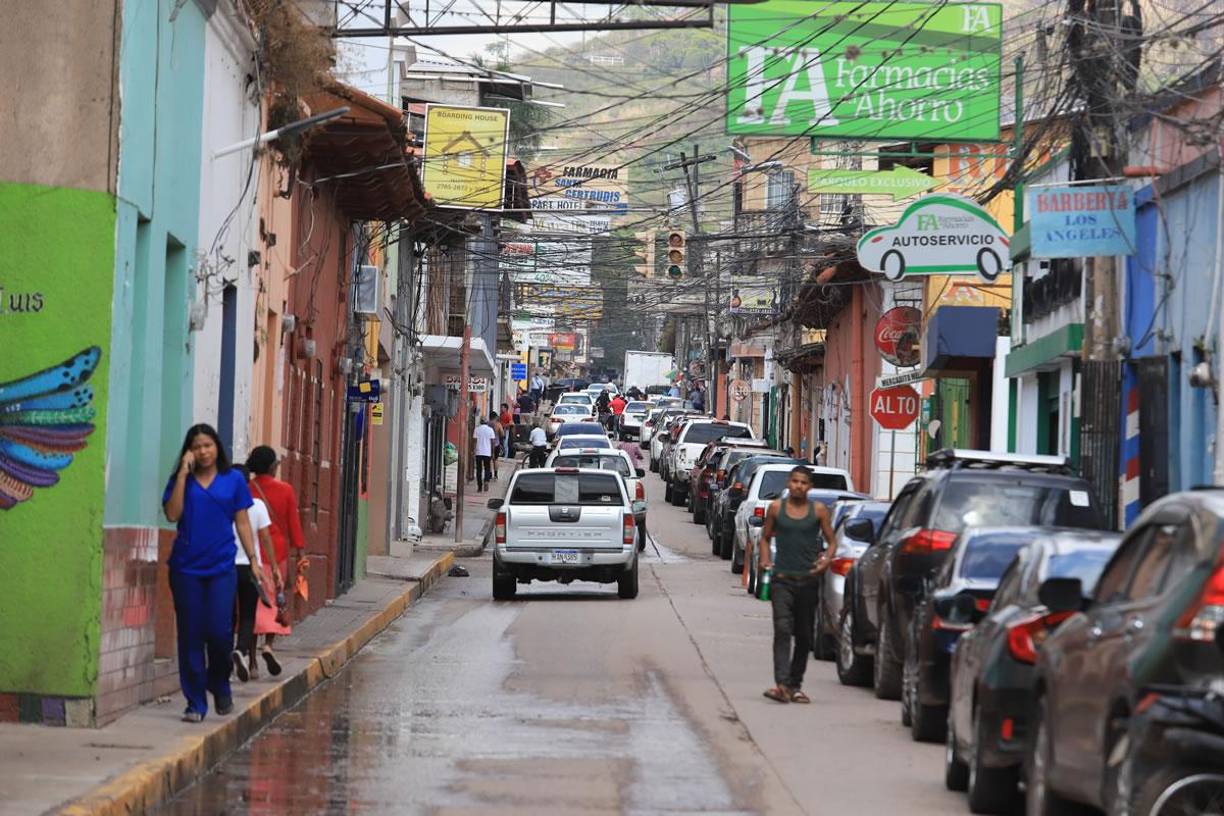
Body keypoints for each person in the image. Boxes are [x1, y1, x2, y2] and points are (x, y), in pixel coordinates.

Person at [162, 424, 259, 722]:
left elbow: (242, 521)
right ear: (189, 451)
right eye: (197, 447)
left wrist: (253, 560)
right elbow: (172, 514)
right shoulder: (182, 481)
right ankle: (195, 702)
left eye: (207, 445)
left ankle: (219, 683)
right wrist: (182, 474)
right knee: (191, 635)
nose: (203, 451)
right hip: (186, 569)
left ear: (217, 447)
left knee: (219, 633)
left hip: (221, 568)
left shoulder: (233, 480)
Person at [758, 466, 837, 704]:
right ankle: (782, 685)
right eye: (795, 481)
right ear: (788, 483)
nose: (798, 486)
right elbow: (765, 537)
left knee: (804, 636)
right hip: (781, 580)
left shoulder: (819, 510)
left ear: (809, 486)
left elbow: (832, 542)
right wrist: (765, 559)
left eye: (803, 483)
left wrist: (825, 561)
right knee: (782, 629)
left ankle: (795, 685)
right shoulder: (776, 508)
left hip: (808, 580)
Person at [246, 445, 304, 674]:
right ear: (273, 467)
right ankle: (268, 645)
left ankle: (252, 662)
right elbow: (293, 524)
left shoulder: (247, 489)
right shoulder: (286, 490)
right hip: (277, 554)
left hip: (252, 553)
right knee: (275, 600)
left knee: (252, 604)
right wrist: (300, 553)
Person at [230, 465, 281, 684]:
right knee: (248, 614)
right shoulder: (257, 505)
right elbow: (266, 537)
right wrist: (274, 567)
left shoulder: (221, 505)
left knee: (228, 616)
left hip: (225, 567)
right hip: (250, 567)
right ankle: (241, 650)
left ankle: (226, 665)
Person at [474, 418, 497, 492]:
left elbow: (475, 441)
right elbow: (493, 442)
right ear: (487, 422)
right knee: (487, 468)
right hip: (487, 452)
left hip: (478, 452)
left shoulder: (477, 429)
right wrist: (492, 452)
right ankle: (486, 481)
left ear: (480, 422)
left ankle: (479, 486)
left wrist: (473, 450)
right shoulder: (490, 430)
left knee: (479, 470)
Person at [488, 411, 504, 479]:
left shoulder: (487, 424)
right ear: (495, 417)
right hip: (496, 444)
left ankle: (490, 473)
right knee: (496, 459)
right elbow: (502, 434)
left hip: (488, 444)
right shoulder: (498, 424)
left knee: (489, 460)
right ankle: (496, 474)